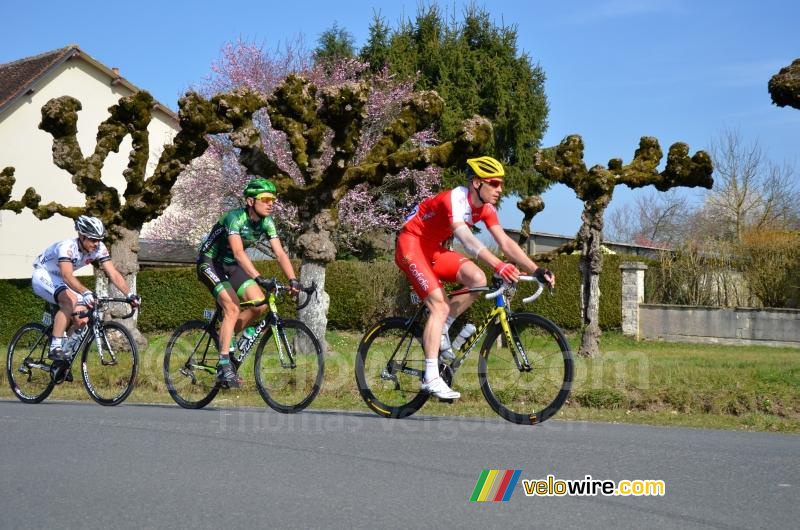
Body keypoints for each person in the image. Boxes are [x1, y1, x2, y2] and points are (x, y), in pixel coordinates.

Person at [395, 156, 555, 399]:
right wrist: (499, 265)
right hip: (411, 245)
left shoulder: (487, 209)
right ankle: (430, 376)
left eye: (501, 184)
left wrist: (536, 269)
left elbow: (505, 242)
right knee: (438, 305)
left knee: (478, 279)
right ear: (476, 183)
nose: (500, 189)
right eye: (494, 183)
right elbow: (467, 240)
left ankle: (443, 328)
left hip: (433, 249)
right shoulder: (455, 199)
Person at [197, 177, 300, 389]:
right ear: (251, 201)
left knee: (260, 304)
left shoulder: (267, 222)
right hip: (210, 263)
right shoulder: (234, 218)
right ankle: (224, 364)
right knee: (232, 307)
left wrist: (293, 280)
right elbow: (238, 252)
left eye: (273, 199)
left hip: (232, 266)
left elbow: (279, 253)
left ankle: (229, 336)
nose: (271, 203)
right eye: (265, 199)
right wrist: (258, 277)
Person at [32, 215, 140, 361]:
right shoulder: (67, 247)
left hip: (61, 280)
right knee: (70, 299)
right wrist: (86, 291)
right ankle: (55, 347)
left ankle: (64, 357)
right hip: (44, 274)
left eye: (99, 240)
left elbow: (113, 273)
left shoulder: (99, 249)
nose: (97, 244)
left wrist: (130, 294)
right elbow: (67, 276)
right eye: (93, 239)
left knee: (82, 318)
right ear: (82, 236)